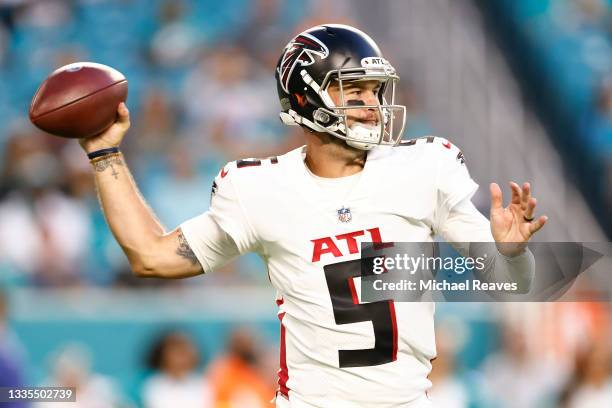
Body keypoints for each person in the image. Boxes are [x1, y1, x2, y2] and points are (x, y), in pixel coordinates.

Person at [79, 24, 547, 408]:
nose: (372, 104)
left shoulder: (423, 168)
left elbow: (513, 280)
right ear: (305, 97)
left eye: (375, 90)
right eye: (353, 89)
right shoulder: (259, 189)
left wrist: (511, 251)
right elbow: (152, 257)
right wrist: (105, 153)